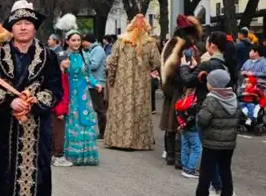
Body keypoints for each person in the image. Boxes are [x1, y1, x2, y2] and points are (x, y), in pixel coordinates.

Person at [0, 0, 63, 196]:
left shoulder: (49, 57)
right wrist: (11, 101)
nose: (23, 28)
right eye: (18, 23)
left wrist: (34, 102)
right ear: (12, 27)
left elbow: (55, 90)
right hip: (5, 129)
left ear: (35, 28)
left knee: (41, 179)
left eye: (28, 23)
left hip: (37, 129)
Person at [104, 14, 161, 150]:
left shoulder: (121, 42)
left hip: (121, 83)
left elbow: (112, 62)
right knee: (139, 109)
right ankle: (139, 141)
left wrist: (112, 80)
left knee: (121, 109)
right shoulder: (150, 43)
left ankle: (118, 140)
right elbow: (156, 62)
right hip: (141, 85)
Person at [188, 69, 240, 196]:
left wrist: (198, 118)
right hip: (229, 143)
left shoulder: (211, 99)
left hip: (212, 141)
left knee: (206, 170)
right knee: (225, 170)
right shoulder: (233, 98)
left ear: (214, 84)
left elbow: (203, 120)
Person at [160, 15, 204, 167]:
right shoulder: (184, 46)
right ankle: (178, 158)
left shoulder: (171, 44)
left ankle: (171, 155)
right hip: (181, 89)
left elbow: (165, 70)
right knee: (180, 122)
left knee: (172, 123)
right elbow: (173, 69)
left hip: (171, 88)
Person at [60, 30, 101, 166]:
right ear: (67, 42)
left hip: (84, 93)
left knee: (85, 120)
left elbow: (88, 75)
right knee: (73, 121)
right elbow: (59, 75)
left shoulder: (86, 55)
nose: (76, 43)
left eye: (78, 40)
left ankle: (87, 155)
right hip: (71, 92)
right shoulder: (64, 56)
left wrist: (96, 85)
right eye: (73, 40)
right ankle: (72, 154)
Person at [81, 33, 107, 139]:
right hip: (93, 83)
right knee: (97, 107)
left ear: (87, 41)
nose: (82, 44)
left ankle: (103, 132)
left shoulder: (98, 50)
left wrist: (82, 66)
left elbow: (94, 65)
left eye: (83, 41)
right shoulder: (93, 50)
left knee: (99, 108)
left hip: (97, 83)